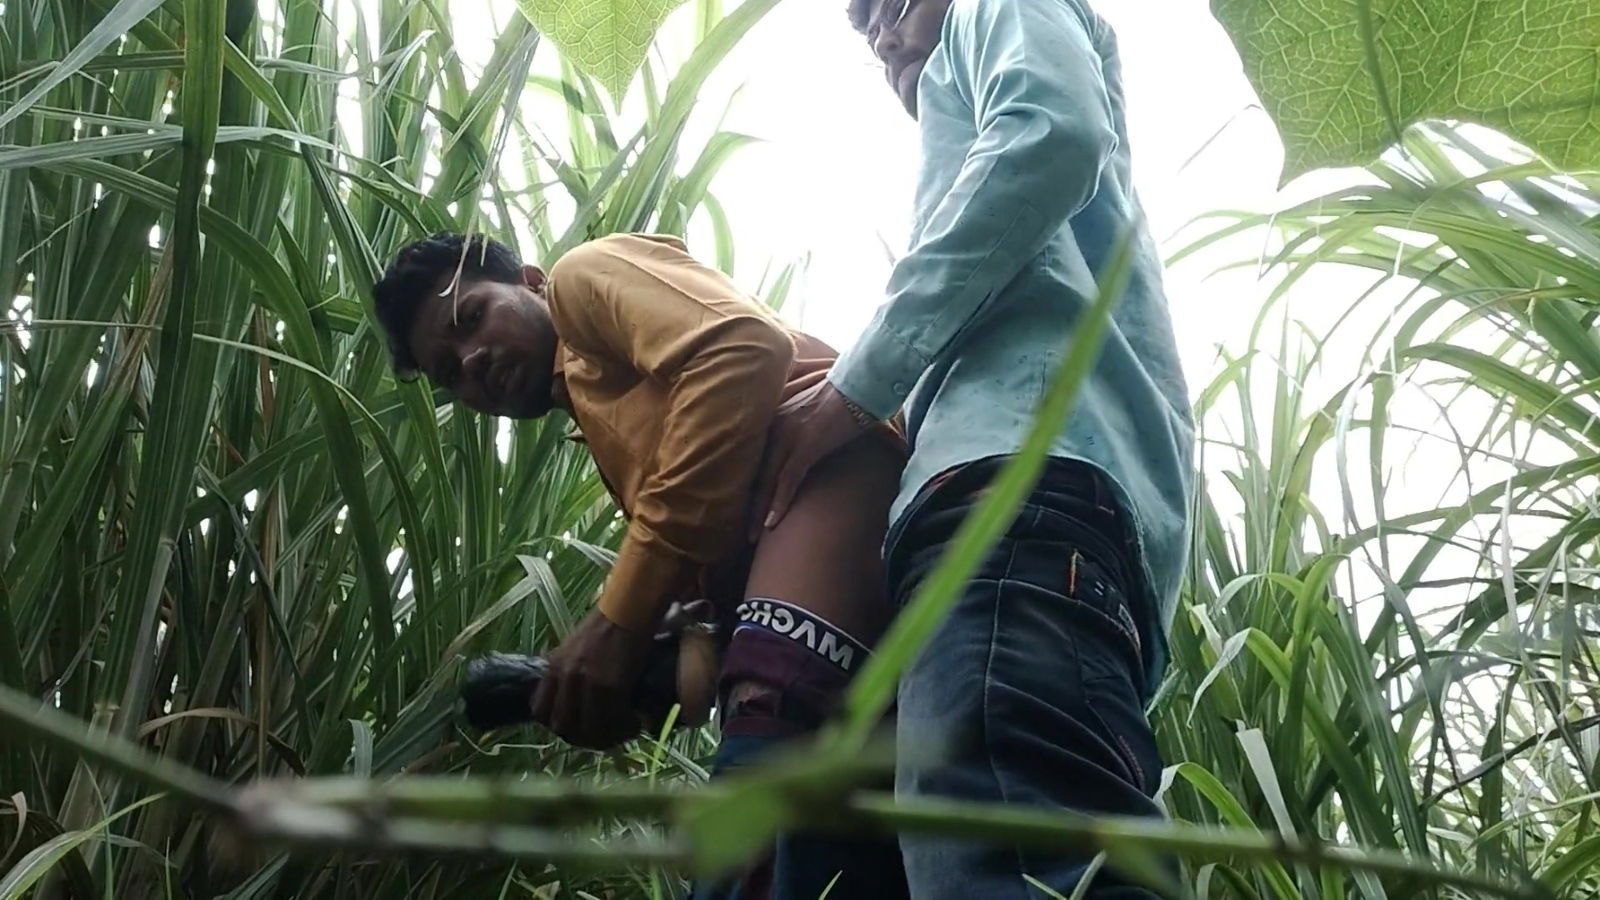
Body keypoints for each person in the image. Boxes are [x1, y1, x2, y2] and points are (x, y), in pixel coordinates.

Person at [754, 0, 1194, 896]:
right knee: (1027, 847)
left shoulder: (998, 10)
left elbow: (1051, 134)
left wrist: (852, 391)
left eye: (888, 5)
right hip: (1053, 516)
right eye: (861, 30)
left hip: (1011, 497)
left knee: (1006, 856)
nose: (879, 34)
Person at [371, 231, 910, 899]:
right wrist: (637, 692)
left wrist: (617, 622)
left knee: (760, 823)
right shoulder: (611, 425)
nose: (473, 359)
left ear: (531, 282)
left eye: (472, 317)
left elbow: (742, 347)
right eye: (450, 371)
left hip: (829, 484)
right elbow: (713, 620)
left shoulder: (580, 279)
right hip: (815, 574)